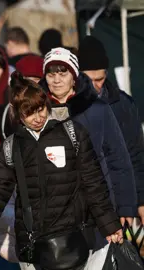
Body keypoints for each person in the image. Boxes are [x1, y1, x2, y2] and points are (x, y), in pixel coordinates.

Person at [0, 72, 123, 270]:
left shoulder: (72, 133)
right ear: (18, 114)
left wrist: (110, 225)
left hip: (75, 236)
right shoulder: (11, 148)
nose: (37, 117)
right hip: (34, 245)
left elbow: (93, 182)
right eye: (28, 113)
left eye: (40, 109)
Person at [41, 48, 136, 246]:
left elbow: (118, 158)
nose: (57, 80)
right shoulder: (36, 110)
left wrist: (126, 206)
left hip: (97, 208)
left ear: (74, 76)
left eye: (63, 73)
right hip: (53, 210)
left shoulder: (97, 109)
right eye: (51, 73)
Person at [79, 36, 144, 222]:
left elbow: (135, 156)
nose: (94, 86)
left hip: (117, 202)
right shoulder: (69, 105)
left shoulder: (123, 105)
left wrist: (139, 201)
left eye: (99, 79)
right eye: (88, 80)